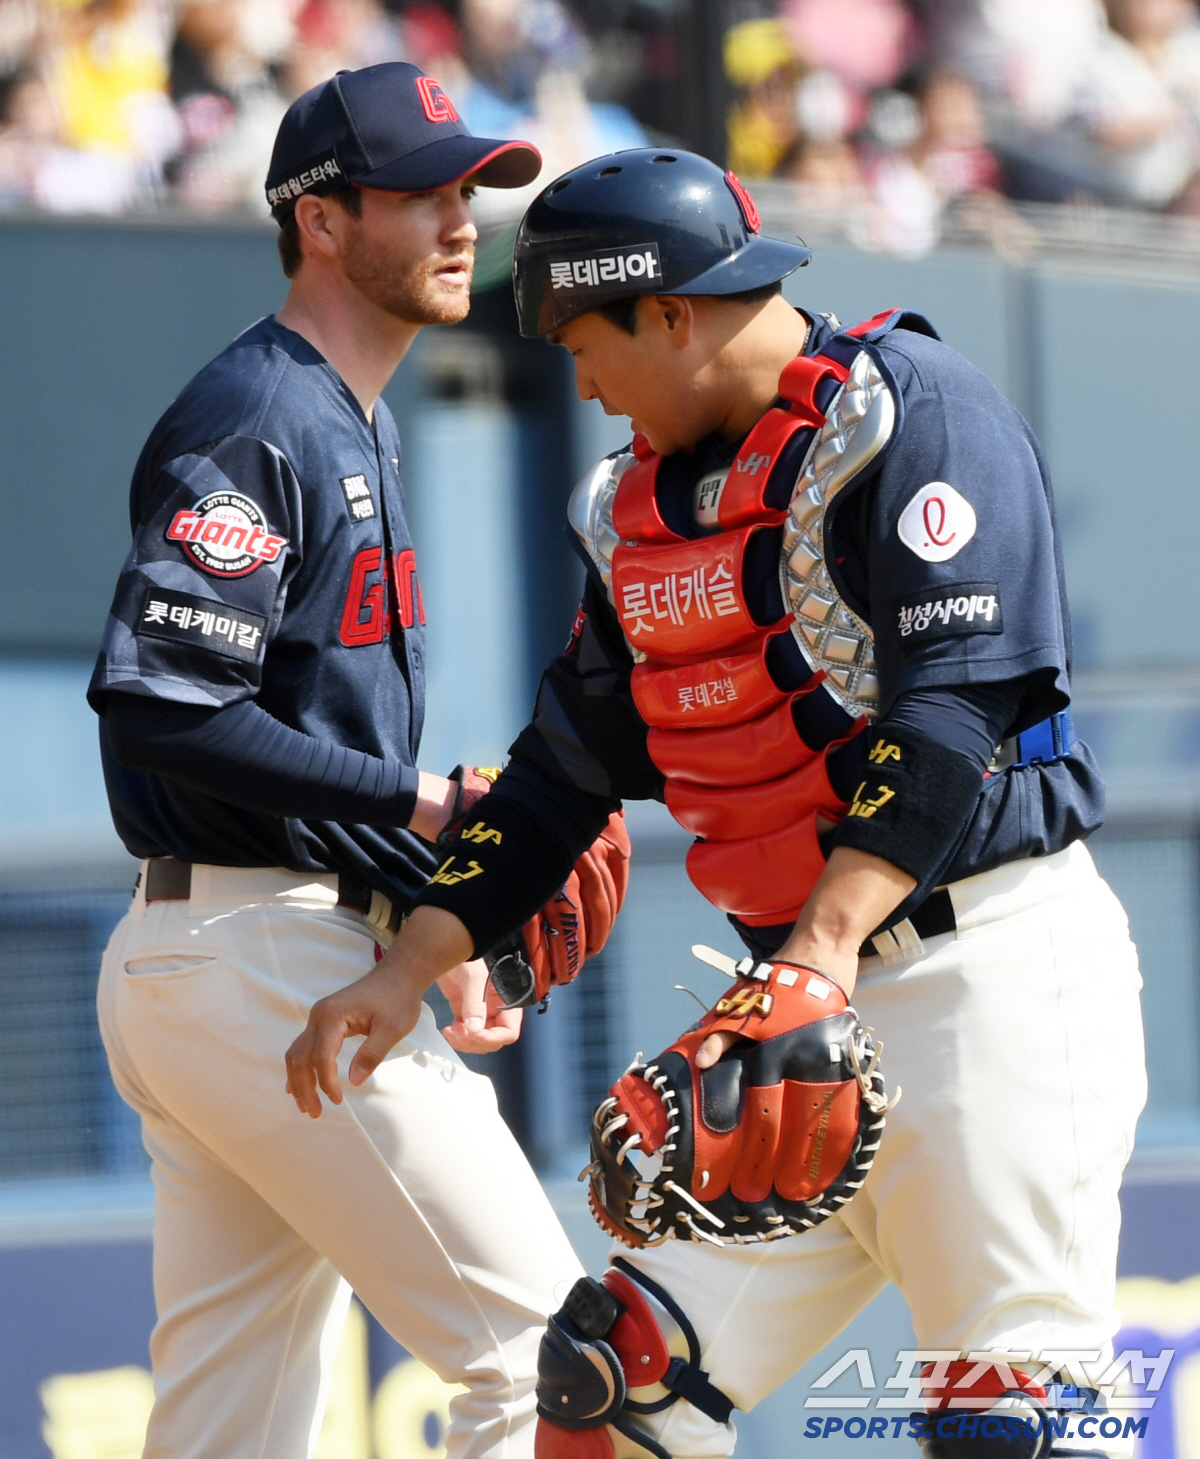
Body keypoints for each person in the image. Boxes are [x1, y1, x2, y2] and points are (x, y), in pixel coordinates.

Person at [285, 148, 1147, 1459]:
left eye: (585, 341)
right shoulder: (639, 509)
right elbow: (558, 777)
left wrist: (818, 953)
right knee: (609, 1385)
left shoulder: (909, 412)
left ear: (671, 313)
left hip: (987, 983)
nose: (580, 382)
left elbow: (953, 713)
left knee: (1009, 1422)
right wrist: (406, 969)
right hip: (796, 1010)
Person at [87, 61, 589, 1459]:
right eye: (421, 193)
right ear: (319, 218)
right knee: (559, 1371)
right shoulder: (261, 414)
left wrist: (430, 919)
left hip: (239, 947)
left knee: (232, 1431)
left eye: (470, 191)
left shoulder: (347, 412)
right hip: (258, 954)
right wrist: (425, 809)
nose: (461, 220)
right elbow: (161, 707)